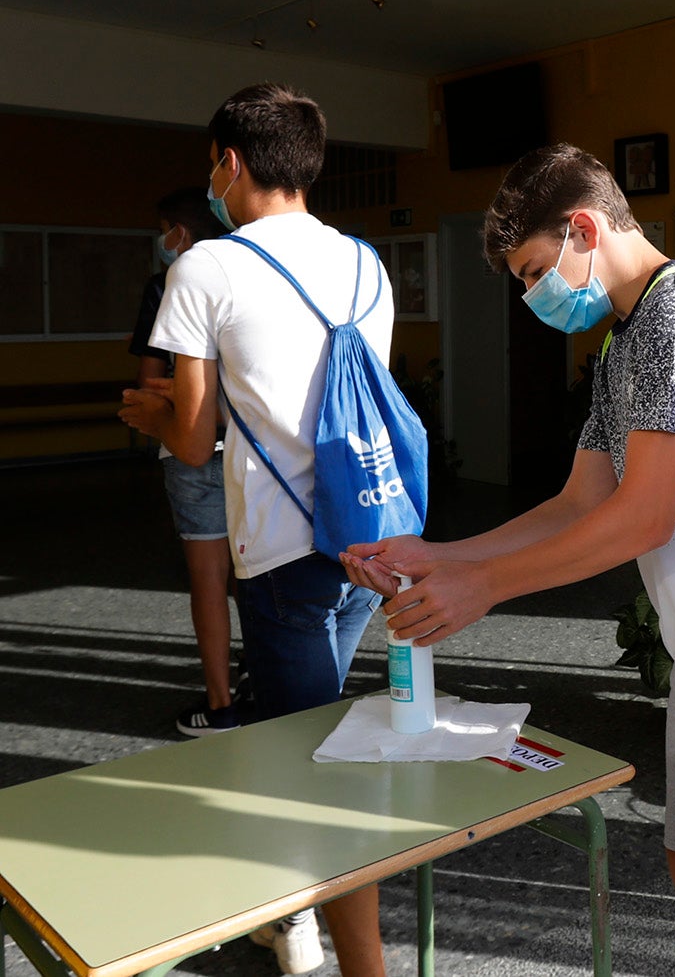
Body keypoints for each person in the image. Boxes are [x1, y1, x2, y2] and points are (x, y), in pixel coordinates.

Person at [340, 143, 675, 977]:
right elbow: (579, 501)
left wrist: (486, 585)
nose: (537, 294)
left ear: (583, 227)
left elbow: (641, 517)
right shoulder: (623, 343)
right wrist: (439, 556)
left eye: (537, 268)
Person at [119, 83, 388, 977]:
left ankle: (328, 944)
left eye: (211, 164)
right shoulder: (367, 263)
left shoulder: (205, 267)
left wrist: (146, 415)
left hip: (281, 550)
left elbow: (195, 440)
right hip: (368, 537)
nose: (210, 183)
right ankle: (289, 910)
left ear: (230, 163)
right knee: (299, 727)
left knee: (309, 759)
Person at [128, 187, 241, 736]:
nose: (165, 241)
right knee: (261, 575)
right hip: (252, 449)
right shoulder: (248, 272)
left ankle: (221, 703)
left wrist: (180, 395)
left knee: (209, 581)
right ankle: (264, 684)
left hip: (190, 447)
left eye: (168, 228)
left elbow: (149, 383)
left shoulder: (171, 283)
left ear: (183, 232)